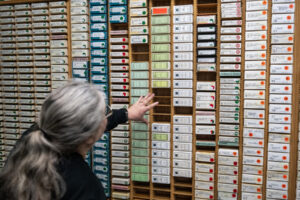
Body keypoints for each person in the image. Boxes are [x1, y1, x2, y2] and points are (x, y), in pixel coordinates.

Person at [0, 82, 158, 200]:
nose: (106, 115)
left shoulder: (32, 137)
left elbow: (76, 124)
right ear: (90, 137)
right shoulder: (84, 187)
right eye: (105, 111)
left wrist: (125, 114)